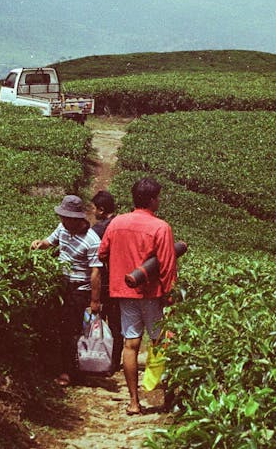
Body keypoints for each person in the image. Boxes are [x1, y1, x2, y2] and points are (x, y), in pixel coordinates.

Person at [98, 177, 177, 415]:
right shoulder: (161, 227)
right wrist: (170, 295)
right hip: (152, 294)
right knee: (161, 343)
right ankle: (166, 397)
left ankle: (133, 402)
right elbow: (167, 266)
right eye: (158, 197)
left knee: (130, 345)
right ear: (153, 199)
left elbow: (103, 252)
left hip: (124, 293)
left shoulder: (117, 222)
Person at [30, 194, 103, 387]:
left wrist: (95, 301)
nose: (62, 221)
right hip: (61, 284)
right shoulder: (63, 227)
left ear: (77, 218)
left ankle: (69, 372)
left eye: (66, 218)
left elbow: (96, 272)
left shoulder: (92, 240)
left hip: (79, 289)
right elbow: (50, 241)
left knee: (70, 331)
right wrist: (40, 243)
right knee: (61, 328)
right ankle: (64, 367)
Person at [89, 189, 123, 374]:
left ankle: (97, 358)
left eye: (94, 208)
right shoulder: (121, 224)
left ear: (101, 210)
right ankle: (114, 362)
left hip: (103, 280)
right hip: (121, 281)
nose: (93, 212)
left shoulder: (98, 230)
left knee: (97, 321)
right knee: (116, 325)